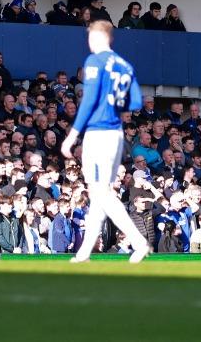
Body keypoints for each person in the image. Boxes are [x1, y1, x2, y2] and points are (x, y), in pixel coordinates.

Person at [61, 19, 149, 264]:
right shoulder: (124, 65)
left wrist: (72, 135)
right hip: (116, 133)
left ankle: (138, 241)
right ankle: (84, 252)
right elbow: (135, 103)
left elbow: (88, 101)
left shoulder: (95, 61)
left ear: (100, 38)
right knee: (99, 193)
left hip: (98, 134)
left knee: (99, 191)